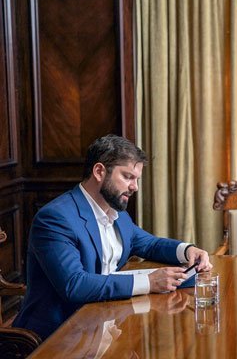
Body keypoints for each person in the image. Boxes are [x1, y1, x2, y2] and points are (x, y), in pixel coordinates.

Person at [13, 135, 213, 339]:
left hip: (104, 323)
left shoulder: (117, 214)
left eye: (137, 179)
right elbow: (74, 285)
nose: (135, 187)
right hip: (58, 335)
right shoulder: (55, 218)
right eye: (127, 177)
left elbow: (149, 244)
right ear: (99, 171)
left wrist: (188, 250)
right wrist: (150, 282)